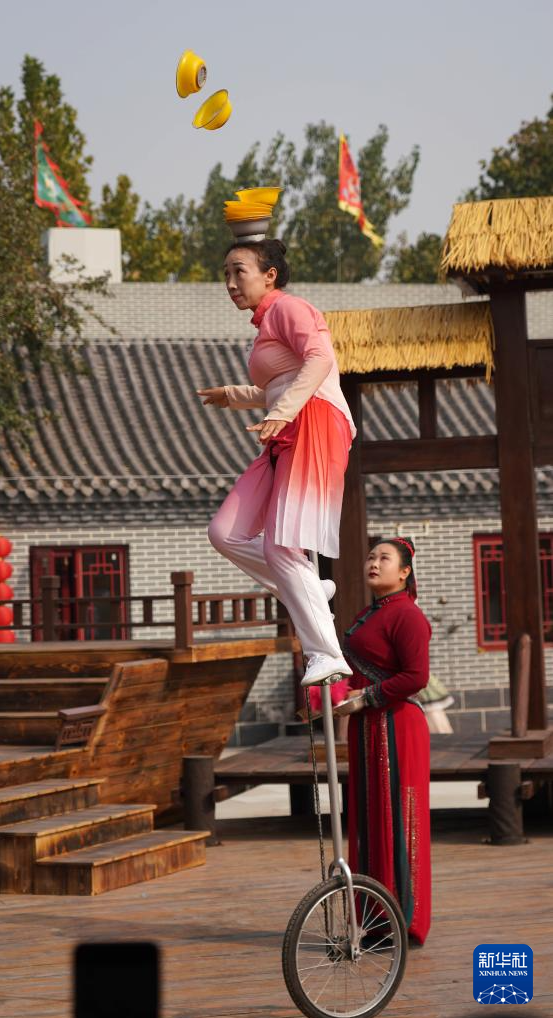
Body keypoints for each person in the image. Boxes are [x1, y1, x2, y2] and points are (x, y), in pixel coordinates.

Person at [198, 239, 355, 685]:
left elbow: (320, 359)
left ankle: (327, 653)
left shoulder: (289, 308)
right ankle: (307, 586)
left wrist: (281, 413)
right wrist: (235, 396)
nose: (230, 283)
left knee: (281, 547)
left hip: (313, 422)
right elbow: (279, 384)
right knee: (225, 533)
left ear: (270, 275)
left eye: (239, 271)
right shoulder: (267, 321)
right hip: (285, 427)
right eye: (226, 274)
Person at [318, 537, 432, 946]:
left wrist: (366, 697)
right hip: (366, 724)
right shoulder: (370, 613)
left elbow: (416, 677)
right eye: (370, 556)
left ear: (404, 572)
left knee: (397, 820)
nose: (374, 562)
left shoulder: (408, 616)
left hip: (396, 726)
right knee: (369, 819)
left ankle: (404, 921)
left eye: (384, 558)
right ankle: (375, 918)